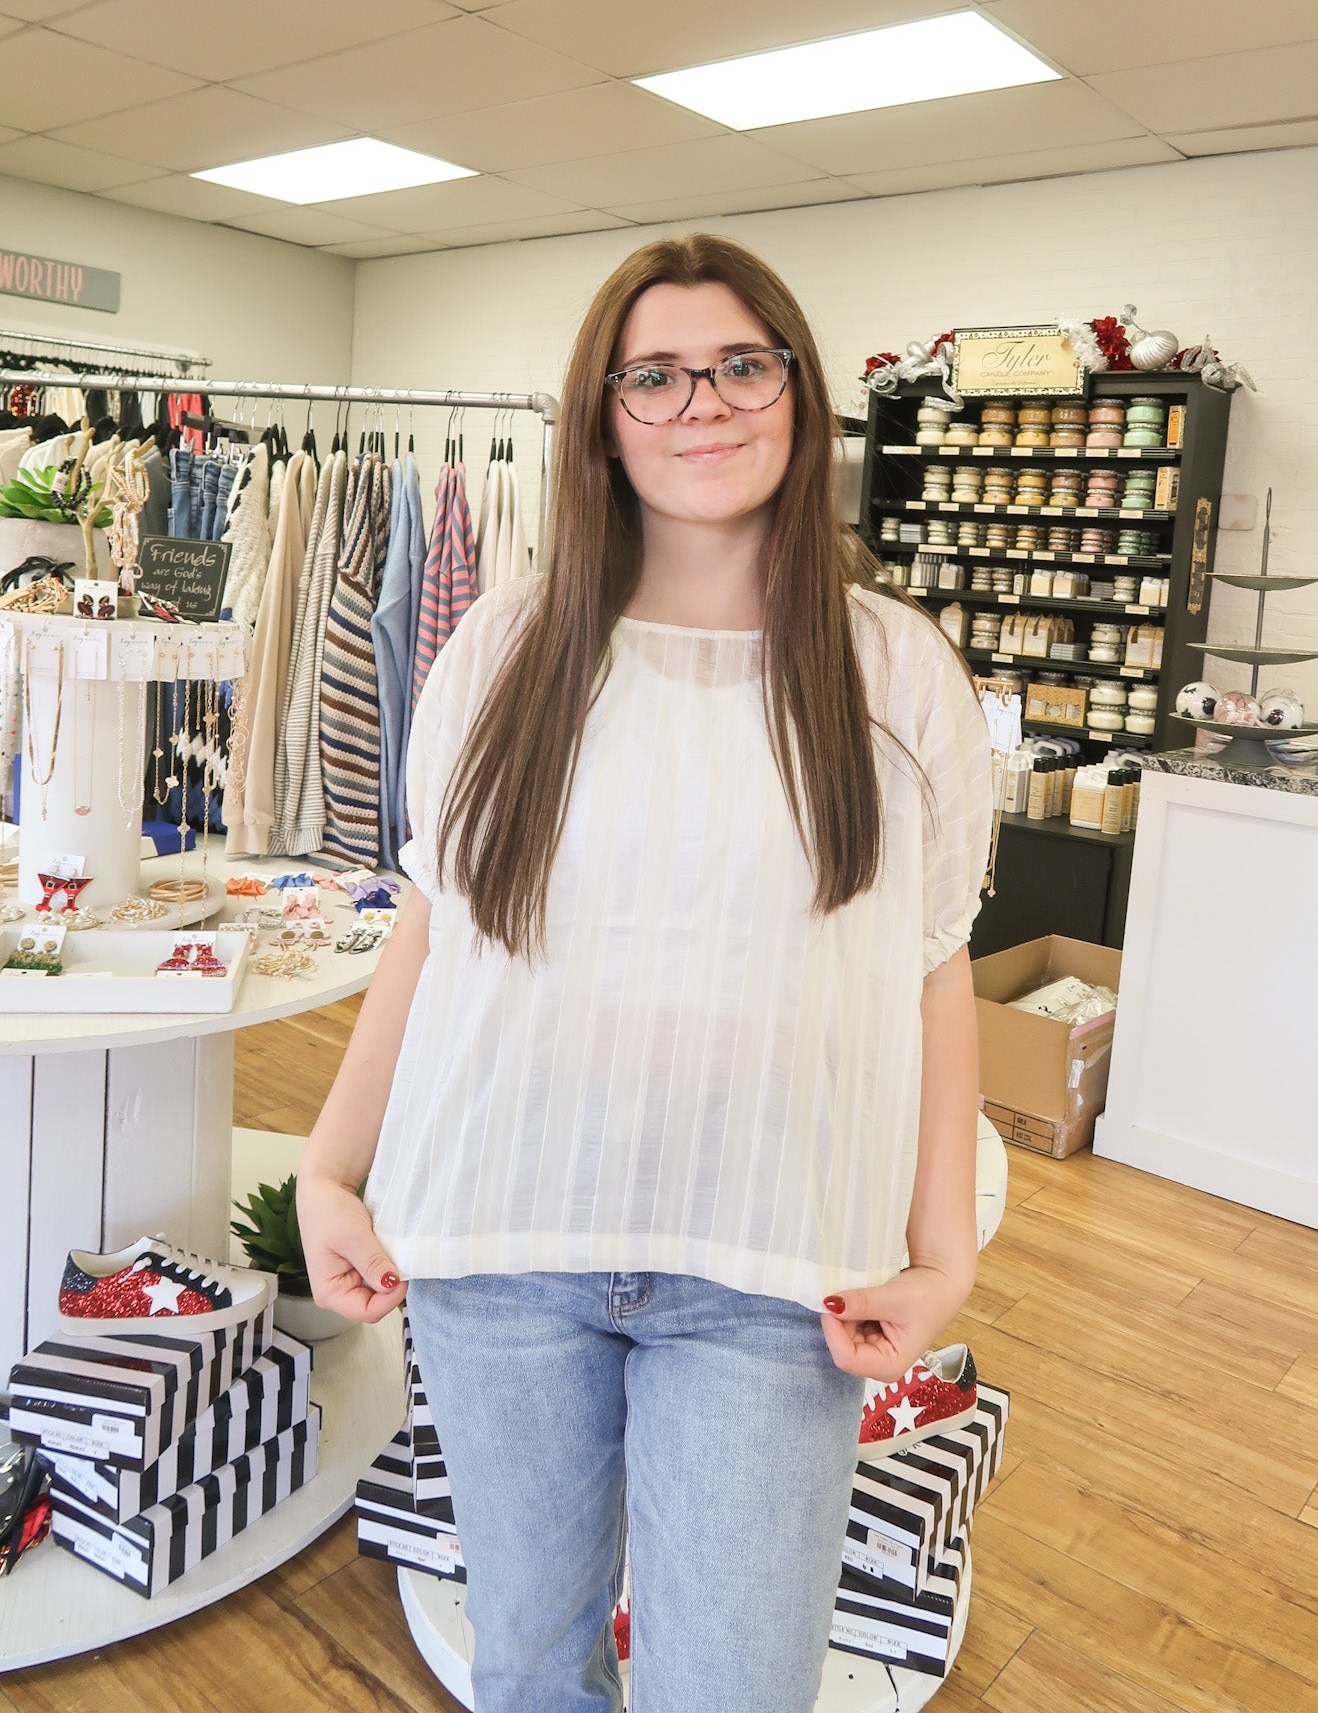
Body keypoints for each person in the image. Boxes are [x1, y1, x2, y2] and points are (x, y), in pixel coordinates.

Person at [297, 234, 993, 1713]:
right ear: (602, 418)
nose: (704, 403)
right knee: (535, 1673)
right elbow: (439, 920)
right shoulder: (508, 641)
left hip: (770, 1274)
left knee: (732, 1688)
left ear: (797, 395)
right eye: (655, 375)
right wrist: (331, 1165)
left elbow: (935, 966)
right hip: (501, 1245)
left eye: (743, 364)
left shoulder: (894, 669)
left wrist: (943, 1253)